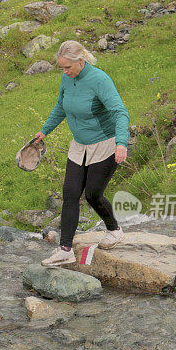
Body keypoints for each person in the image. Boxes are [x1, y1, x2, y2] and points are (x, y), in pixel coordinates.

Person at [35, 40, 130, 267]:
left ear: (81, 60)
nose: (64, 72)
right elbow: (60, 106)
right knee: (70, 192)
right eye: (61, 68)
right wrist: (44, 131)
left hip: (105, 144)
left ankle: (115, 230)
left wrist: (121, 143)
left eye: (67, 67)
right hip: (79, 145)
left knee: (92, 195)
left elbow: (120, 112)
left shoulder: (100, 80)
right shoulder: (67, 79)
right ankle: (65, 249)